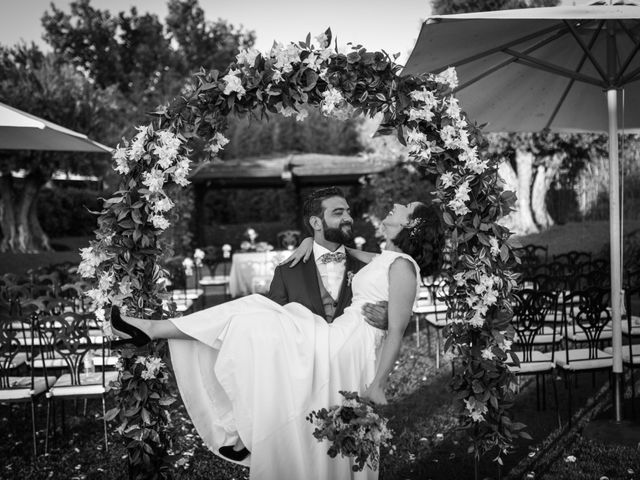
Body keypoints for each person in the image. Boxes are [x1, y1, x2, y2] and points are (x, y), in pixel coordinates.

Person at [110, 201, 444, 480]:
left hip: (350, 345)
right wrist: (309, 242)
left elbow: (397, 329)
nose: (397, 205)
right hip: (341, 335)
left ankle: (240, 428)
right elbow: (340, 251)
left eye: (406, 207)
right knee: (256, 324)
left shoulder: (402, 266)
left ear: (412, 225)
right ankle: (242, 429)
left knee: (258, 323)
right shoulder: (386, 258)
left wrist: (379, 385)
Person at [268, 187, 388, 327]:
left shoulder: (368, 266)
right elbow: (274, 326)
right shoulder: (286, 273)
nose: (348, 218)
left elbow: (396, 307)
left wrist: (389, 318)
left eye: (348, 212)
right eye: (338, 213)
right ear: (316, 223)